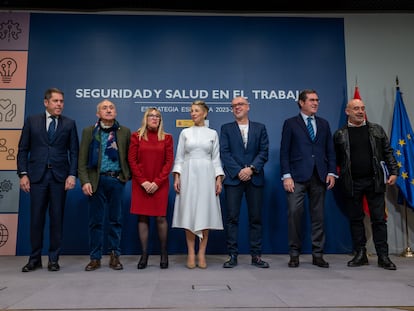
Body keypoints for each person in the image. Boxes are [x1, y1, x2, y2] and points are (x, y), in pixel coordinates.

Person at [17, 87, 79, 272]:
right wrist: (23, 174)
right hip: (37, 177)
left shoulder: (69, 123)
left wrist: (72, 174)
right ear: (46, 102)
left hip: (59, 178)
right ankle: (34, 259)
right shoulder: (32, 121)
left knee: (56, 219)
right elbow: (22, 150)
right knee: (36, 219)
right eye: (55, 101)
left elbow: (74, 152)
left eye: (61, 101)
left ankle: (53, 259)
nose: (59, 104)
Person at [333, 98, 398, 270]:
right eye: (356, 109)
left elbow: (388, 152)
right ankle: (360, 254)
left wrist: (394, 172)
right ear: (348, 112)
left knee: (379, 220)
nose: (360, 111)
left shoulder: (377, 130)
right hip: (352, 183)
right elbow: (335, 160)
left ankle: (383, 257)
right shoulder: (340, 134)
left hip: (374, 181)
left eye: (362, 108)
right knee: (356, 220)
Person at [280, 89, 336, 268]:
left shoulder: (324, 124)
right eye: (311, 100)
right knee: (294, 214)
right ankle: (294, 254)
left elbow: (330, 151)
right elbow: (284, 152)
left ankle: (318, 254)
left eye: (317, 100)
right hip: (296, 177)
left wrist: (331, 172)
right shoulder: (290, 123)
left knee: (318, 217)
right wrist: (286, 176)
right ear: (301, 102)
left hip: (319, 176)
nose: (316, 103)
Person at [78, 99, 131, 271]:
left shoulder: (124, 132)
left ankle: (115, 255)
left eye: (111, 108)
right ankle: (95, 257)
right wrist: (85, 181)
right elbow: (82, 160)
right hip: (96, 181)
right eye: (104, 108)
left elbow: (130, 157)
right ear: (98, 114)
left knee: (116, 220)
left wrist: (125, 176)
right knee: (96, 221)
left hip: (116, 180)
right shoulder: (89, 131)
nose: (108, 110)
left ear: (115, 112)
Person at [172, 100, 224, 269]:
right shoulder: (185, 133)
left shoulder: (213, 134)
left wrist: (218, 178)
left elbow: (216, 158)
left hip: (207, 175)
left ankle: (202, 253)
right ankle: (191, 253)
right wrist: (177, 177)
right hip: (188, 175)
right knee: (189, 213)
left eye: (196, 111)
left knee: (204, 213)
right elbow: (179, 157)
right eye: (191, 111)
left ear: (204, 113)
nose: (193, 113)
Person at [220, 96, 270, 268]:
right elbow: (224, 153)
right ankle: (232, 255)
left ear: (248, 106)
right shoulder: (226, 128)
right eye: (233, 106)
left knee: (255, 219)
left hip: (255, 178)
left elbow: (264, 152)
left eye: (240, 104)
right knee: (232, 219)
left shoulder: (260, 128)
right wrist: (238, 171)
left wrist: (251, 169)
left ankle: (256, 256)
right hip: (234, 180)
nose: (237, 107)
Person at [128, 107, 174, 269]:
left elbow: (169, 163)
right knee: (142, 218)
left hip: (159, 184)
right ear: (145, 118)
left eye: (157, 116)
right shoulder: (136, 137)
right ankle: (144, 254)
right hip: (141, 184)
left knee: (161, 218)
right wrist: (144, 182)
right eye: (151, 116)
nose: (154, 118)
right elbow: (132, 161)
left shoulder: (167, 138)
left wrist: (156, 182)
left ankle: (163, 253)